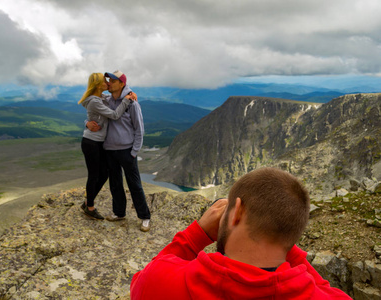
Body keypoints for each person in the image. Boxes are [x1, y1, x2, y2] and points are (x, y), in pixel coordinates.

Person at [130, 167, 352, 299]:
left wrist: (194, 235)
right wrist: (282, 232)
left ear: (236, 212)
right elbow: (324, 287)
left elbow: (139, 285)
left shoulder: (160, 281)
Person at [87, 70, 151, 232]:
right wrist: (86, 123)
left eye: (113, 81)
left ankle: (144, 217)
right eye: (108, 80)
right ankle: (119, 212)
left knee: (134, 184)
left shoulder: (132, 103)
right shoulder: (106, 100)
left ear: (122, 84)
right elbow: (92, 111)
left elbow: (139, 129)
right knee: (115, 184)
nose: (108, 83)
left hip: (127, 150)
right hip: (109, 150)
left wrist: (134, 151)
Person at [78, 72, 136, 220]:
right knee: (94, 175)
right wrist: (127, 101)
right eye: (105, 81)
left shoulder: (101, 98)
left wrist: (128, 93)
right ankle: (89, 207)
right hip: (91, 143)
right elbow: (115, 115)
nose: (108, 83)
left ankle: (87, 201)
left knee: (104, 174)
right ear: (98, 85)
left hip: (99, 143)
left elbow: (113, 98)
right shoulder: (95, 101)